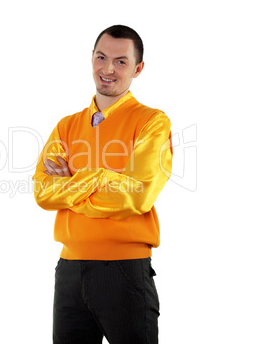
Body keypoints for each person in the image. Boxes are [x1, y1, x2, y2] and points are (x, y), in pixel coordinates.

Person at [32, 25, 173, 344]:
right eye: (101, 57)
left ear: (138, 69)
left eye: (121, 61)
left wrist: (76, 181)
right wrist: (105, 182)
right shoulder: (66, 126)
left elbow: (136, 196)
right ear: (91, 59)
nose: (108, 69)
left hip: (124, 272)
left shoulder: (152, 122)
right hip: (68, 271)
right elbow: (42, 191)